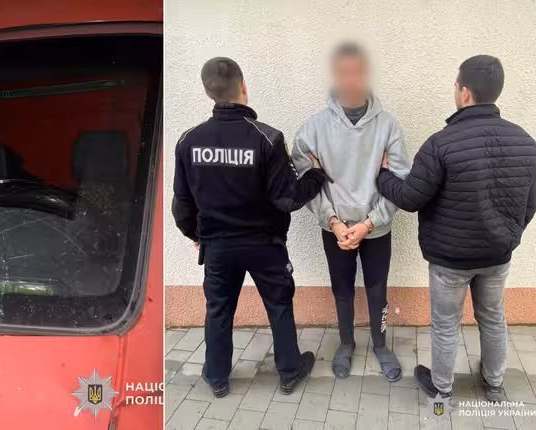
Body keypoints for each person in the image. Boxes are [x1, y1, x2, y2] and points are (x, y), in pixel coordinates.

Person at [376, 54, 536, 401]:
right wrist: (510, 237)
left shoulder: (441, 143)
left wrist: (383, 175)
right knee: (493, 317)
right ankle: (494, 384)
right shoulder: (525, 141)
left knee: (446, 325)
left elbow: (410, 198)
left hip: (450, 261)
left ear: (463, 92)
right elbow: (531, 204)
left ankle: (442, 389)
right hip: (497, 256)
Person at [172, 57, 327, 397]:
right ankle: (289, 371)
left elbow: (181, 206)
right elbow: (288, 198)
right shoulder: (267, 138)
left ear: (207, 92)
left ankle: (216, 377)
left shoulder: (188, 141)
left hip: (218, 247)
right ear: (243, 86)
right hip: (264, 245)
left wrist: (197, 234)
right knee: (279, 305)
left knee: (218, 309)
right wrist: (316, 176)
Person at [290, 42, 411, 381]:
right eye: (344, 72)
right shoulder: (313, 129)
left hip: (377, 227)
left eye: (358, 72)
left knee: (377, 289)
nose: (351, 79)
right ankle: (345, 343)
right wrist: (332, 220)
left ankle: (381, 345)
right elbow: (306, 182)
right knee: (341, 289)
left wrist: (370, 222)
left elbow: (400, 181)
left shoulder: (388, 126)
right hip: (335, 229)